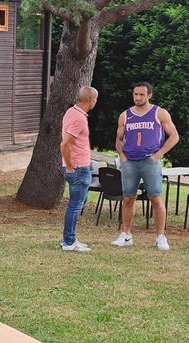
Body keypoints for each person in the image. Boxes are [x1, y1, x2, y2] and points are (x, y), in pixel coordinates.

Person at [112, 82, 179, 251]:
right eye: (135, 94)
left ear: (149, 95)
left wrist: (159, 153)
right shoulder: (125, 115)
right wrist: (122, 157)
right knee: (128, 199)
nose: (138, 98)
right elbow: (119, 139)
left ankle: (160, 237)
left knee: (156, 198)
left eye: (142, 94)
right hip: (130, 162)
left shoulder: (159, 113)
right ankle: (126, 235)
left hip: (150, 161)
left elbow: (174, 136)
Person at [59, 86, 99, 252]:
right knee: (75, 206)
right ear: (90, 100)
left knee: (79, 203)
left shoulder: (72, 112)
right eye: (95, 99)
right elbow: (65, 143)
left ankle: (71, 238)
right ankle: (69, 242)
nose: (96, 102)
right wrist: (69, 166)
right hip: (77, 167)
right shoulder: (78, 118)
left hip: (80, 165)